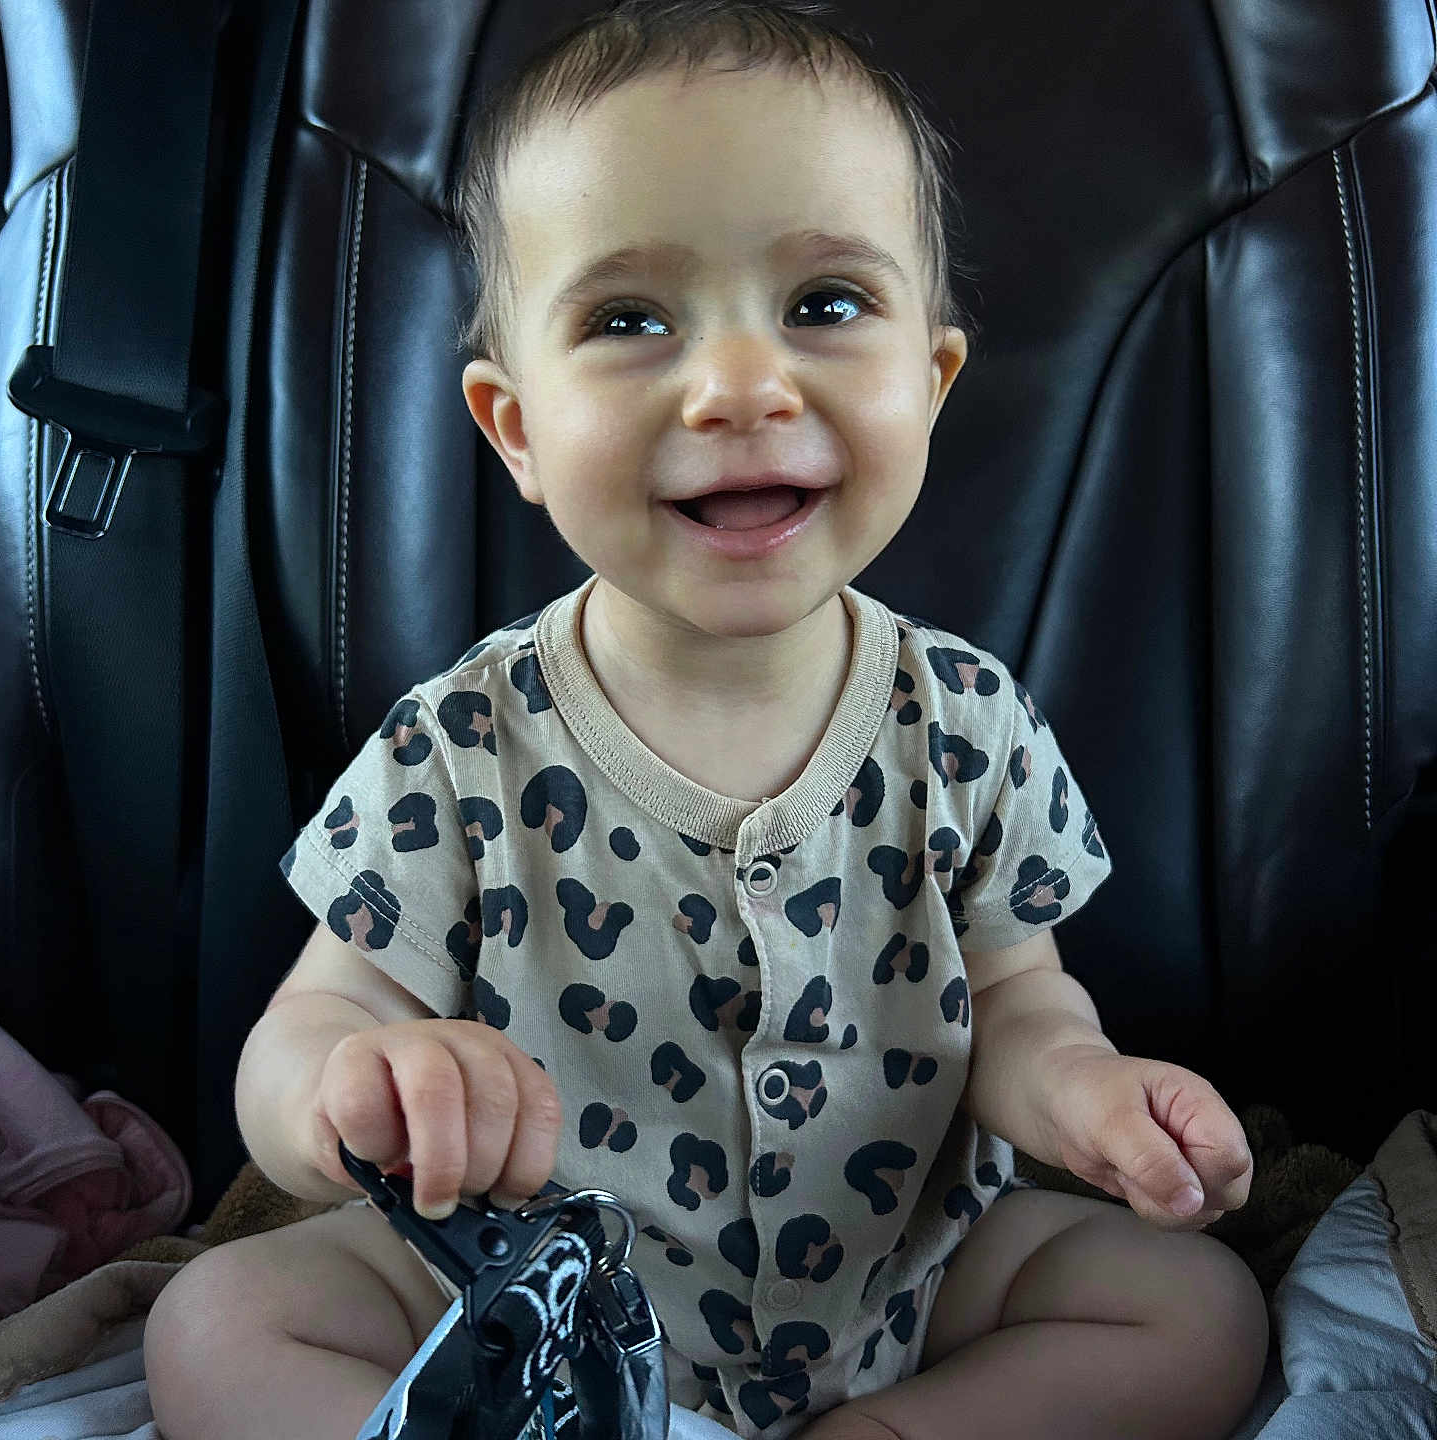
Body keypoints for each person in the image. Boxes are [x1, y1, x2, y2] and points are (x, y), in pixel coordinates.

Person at [144, 2, 1270, 1437]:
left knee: (1192, 1306)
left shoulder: (968, 722)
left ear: (928, 387)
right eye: (630, 321)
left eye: (826, 305)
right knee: (220, 1325)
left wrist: (1090, 1095)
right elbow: (311, 1026)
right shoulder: (460, 746)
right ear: (517, 429)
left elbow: (1020, 1004)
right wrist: (353, 1083)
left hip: (910, 1283)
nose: (741, 386)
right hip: (527, 1299)